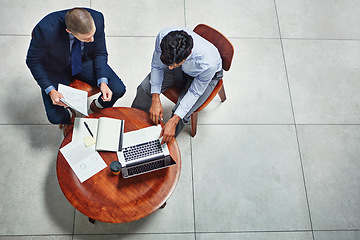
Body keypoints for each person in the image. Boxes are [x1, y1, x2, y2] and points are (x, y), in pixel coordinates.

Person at [26, 8, 126, 125]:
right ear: (69, 31)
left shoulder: (97, 18)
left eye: (92, 35)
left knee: (118, 89)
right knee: (55, 118)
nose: (92, 40)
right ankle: (70, 119)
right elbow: (32, 61)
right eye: (86, 38)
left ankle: (97, 106)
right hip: (55, 68)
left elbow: (100, 52)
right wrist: (51, 90)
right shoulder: (45, 29)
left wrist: (103, 82)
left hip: (84, 61)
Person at [131, 27, 223, 144]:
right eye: (168, 64)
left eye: (173, 64)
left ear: (188, 54)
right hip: (182, 68)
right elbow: (157, 66)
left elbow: (194, 93)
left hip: (203, 77)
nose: (169, 68)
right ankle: (133, 124)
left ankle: (159, 147)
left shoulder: (208, 63)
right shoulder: (163, 37)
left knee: (181, 114)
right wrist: (155, 97)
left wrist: (174, 120)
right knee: (144, 88)